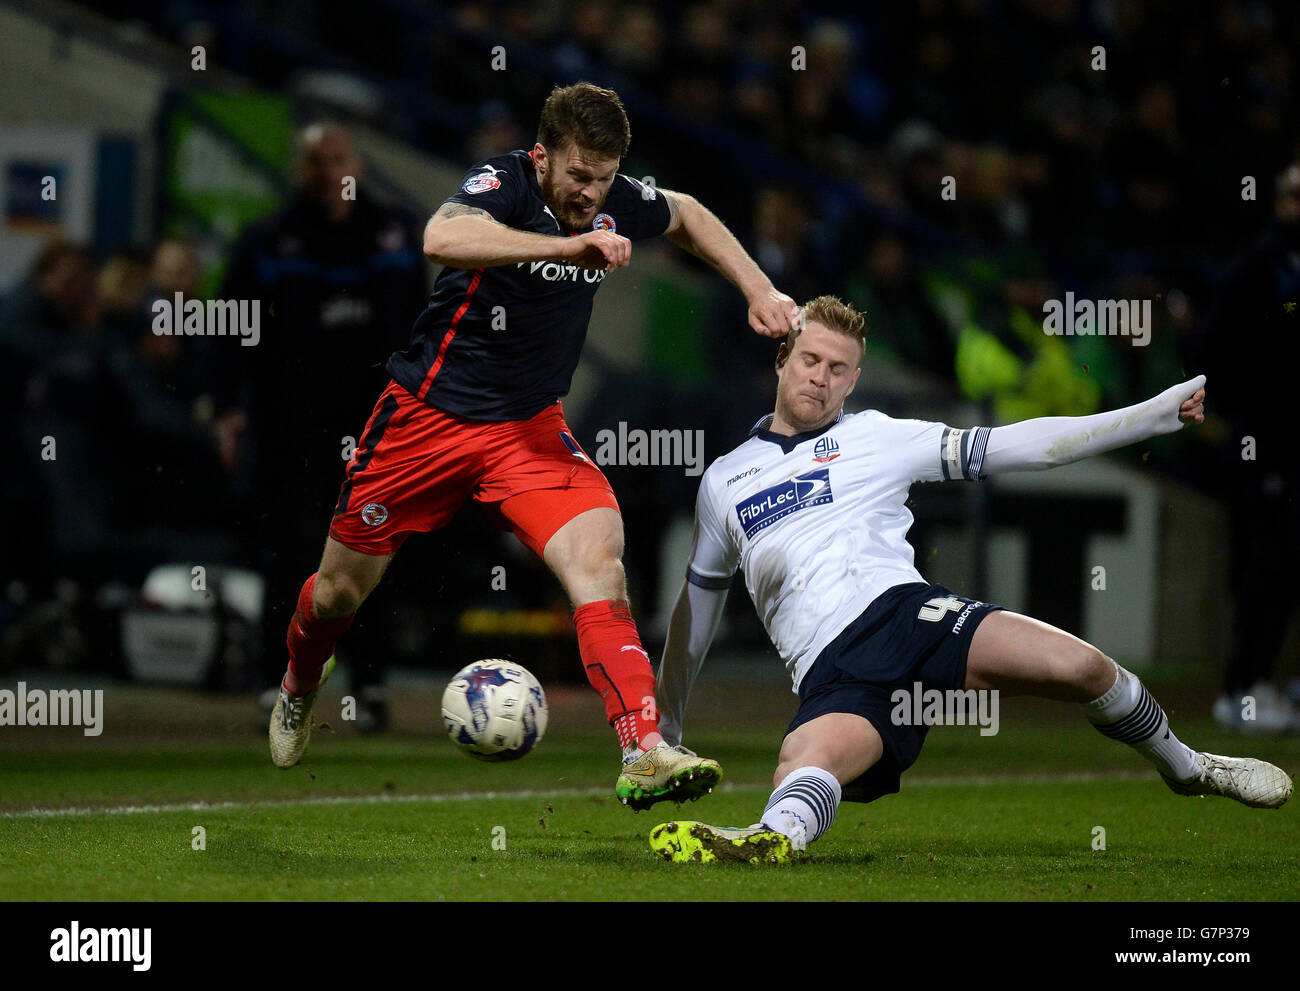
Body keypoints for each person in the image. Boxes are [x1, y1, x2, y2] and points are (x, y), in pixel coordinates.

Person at [269, 82, 802, 811]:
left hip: (529, 431)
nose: (589, 193)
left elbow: (689, 214)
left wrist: (758, 288)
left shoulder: (616, 199)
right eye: (577, 176)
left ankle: (644, 747)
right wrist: (565, 244)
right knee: (335, 592)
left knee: (599, 562)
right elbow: (441, 236)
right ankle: (300, 682)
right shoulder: (504, 181)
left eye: (603, 179)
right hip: (426, 419)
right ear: (544, 156)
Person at [648, 295, 1292, 863]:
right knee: (804, 766)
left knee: (1085, 670)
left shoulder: (880, 437)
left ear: (853, 381)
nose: (821, 379)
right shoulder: (725, 481)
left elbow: (1021, 446)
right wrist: (667, 735)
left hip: (912, 617)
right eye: (811, 361)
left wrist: (1145, 418)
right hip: (834, 668)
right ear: (783, 358)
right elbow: (696, 610)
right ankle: (772, 841)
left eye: (838, 369)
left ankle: (1187, 767)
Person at [221, 122, 427, 727]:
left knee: (372, 552)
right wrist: (226, 406)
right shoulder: (267, 240)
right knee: (289, 552)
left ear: (358, 165)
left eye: (336, 158)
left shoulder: (393, 233)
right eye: (314, 161)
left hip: (378, 424)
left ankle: (371, 686)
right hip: (292, 425)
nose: (327, 171)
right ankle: (275, 680)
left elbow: (422, 329)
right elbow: (234, 328)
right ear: (299, 173)